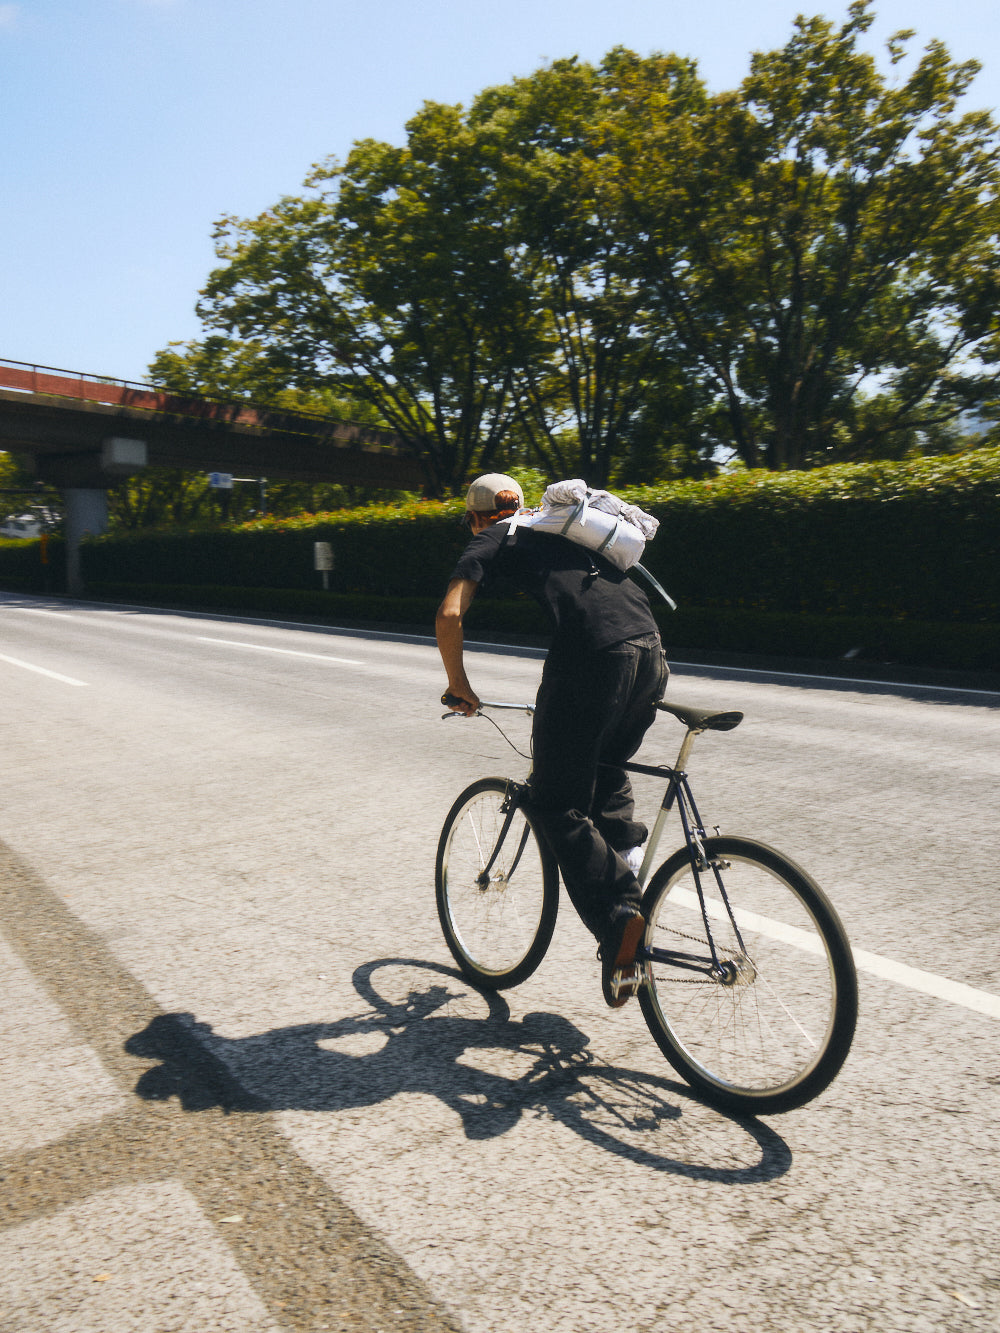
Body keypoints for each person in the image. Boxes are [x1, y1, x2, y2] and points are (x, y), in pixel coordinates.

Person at [436, 472, 670, 1007]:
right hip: (653, 653)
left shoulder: (494, 534)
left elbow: (449, 614)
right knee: (606, 769)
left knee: (552, 801)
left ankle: (621, 917)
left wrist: (459, 685)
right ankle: (628, 890)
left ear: (476, 515)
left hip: (593, 659)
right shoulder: (563, 532)